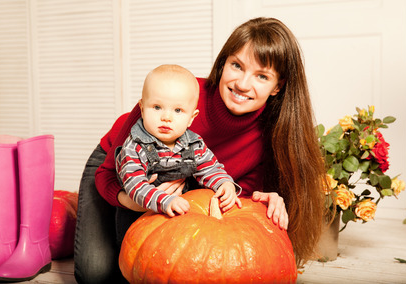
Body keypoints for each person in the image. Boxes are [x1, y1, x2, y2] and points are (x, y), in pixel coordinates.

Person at [74, 17, 325, 284]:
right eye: (236, 66)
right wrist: (130, 201)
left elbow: (234, 196)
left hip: (174, 188)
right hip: (120, 168)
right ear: (223, 63)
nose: (242, 83)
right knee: (96, 275)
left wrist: (266, 198)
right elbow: (107, 174)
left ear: (278, 86)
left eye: (261, 76)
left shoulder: (274, 134)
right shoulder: (174, 93)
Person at [116, 64, 241, 217]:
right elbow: (134, 184)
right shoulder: (134, 147)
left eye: (177, 110)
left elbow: (210, 169)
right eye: (157, 107)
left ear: (191, 118)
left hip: (178, 209)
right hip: (136, 214)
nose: (166, 117)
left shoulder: (194, 145)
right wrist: (164, 200)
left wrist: (224, 183)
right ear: (142, 109)